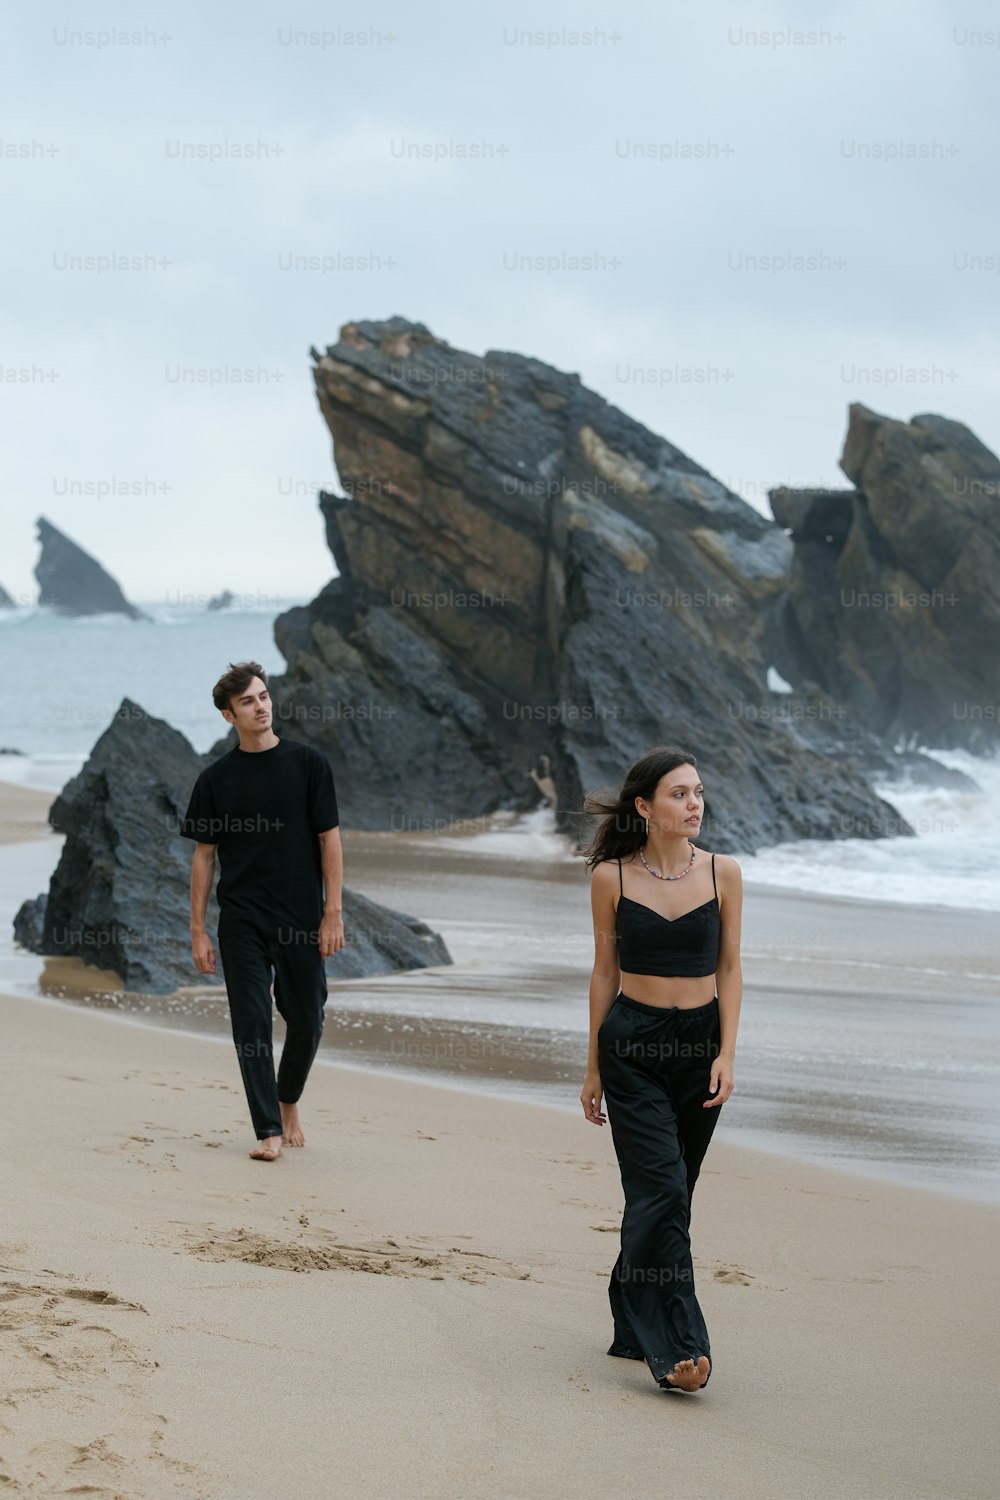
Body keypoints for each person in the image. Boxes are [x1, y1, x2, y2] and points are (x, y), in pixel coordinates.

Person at [578, 745, 742, 1393]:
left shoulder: (724, 872)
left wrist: (728, 1051)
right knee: (663, 1193)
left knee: (675, 1191)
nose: (694, 803)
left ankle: (628, 1313)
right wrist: (592, 1067)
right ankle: (679, 1346)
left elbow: (730, 968)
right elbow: (603, 972)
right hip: (632, 1050)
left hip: (701, 1047)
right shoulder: (611, 879)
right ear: (644, 807)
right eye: (679, 794)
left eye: (698, 792)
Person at [179, 660, 345, 1161]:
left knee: (307, 1020)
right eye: (248, 701)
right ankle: (267, 1129)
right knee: (250, 1025)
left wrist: (332, 911)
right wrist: (198, 931)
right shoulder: (215, 780)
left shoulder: (309, 764)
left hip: (299, 918)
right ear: (229, 716)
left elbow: (329, 840)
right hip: (242, 921)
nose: (261, 706)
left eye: (264, 696)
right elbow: (204, 857)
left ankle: (287, 1097)